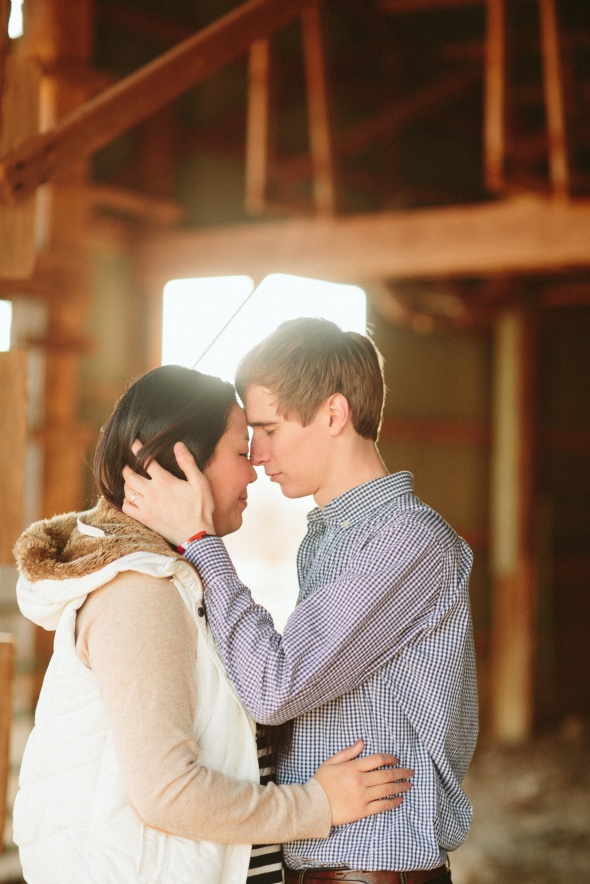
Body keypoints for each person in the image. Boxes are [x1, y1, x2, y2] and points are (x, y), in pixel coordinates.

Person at [12, 364, 413, 884]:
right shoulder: (139, 593)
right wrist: (316, 805)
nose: (254, 471)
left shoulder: (170, 578)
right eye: (242, 452)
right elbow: (167, 792)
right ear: (182, 464)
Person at [122, 319, 478, 884]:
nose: (256, 455)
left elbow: (276, 688)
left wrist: (200, 544)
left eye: (268, 428)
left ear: (333, 415)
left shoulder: (408, 541)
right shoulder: (328, 538)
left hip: (374, 874)